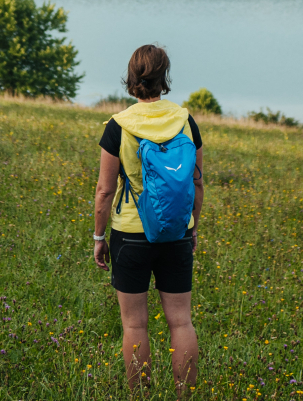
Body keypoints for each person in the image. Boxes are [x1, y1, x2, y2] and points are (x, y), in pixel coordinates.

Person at [94, 44, 204, 394]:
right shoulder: (185, 121)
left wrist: (99, 237)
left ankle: (140, 395)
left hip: (130, 234)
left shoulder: (119, 125)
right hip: (177, 232)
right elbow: (197, 183)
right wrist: (193, 228)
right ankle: (185, 395)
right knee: (181, 321)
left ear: (131, 77)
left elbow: (104, 191)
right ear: (164, 78)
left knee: (134, 326)